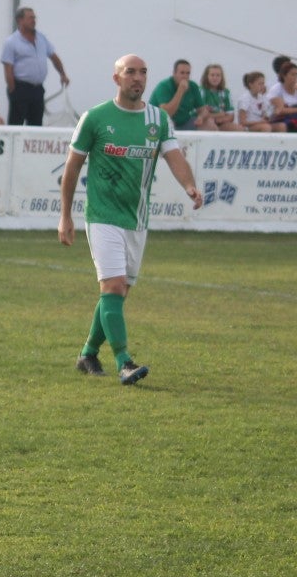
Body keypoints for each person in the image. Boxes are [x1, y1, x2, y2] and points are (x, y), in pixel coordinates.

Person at [58, 54, 202, 384]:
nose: (138, 78)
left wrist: (190, 185)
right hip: (102, 215)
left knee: (117, 294)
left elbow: (174, 157)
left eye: (143, 72)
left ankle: (88, 353)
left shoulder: (158, 120)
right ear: (116, 78)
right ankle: (124, 361)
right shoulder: (95, 118)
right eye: (130, 72)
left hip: (136, 219)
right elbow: (72, 168)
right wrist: (65, 216)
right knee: (113, 285)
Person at [1, 6, 69, 125]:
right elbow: (8, 68)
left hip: (37, 89)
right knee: (16, 123)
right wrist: (13, 89)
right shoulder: (11, 42)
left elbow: (54, 57)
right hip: (20, 88)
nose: (34, 20)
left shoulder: (41, 38)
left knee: (36, 124)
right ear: (20, 20)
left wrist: (63, 74)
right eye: (30, 18)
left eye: (34, 18)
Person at [149, 60, 214, 130]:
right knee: (168, 123)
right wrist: (180, 91)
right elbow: (166, 114)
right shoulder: (164, 86)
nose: (185, 76)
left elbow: (202, 109)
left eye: (188, 73)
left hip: (184, 122)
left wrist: (201, 117)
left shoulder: (193, 86)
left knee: (209, 123)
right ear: (174, 73)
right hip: (158, 124)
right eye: (182, 73)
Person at [266, 61, 297, 131]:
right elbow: (280, 110)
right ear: (284, 76)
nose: (295, 77)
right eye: (292, 75)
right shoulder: (277, 89)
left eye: (296, 74)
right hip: (280, 119)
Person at [198, 64, 243, 131]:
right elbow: (201, 114)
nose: (215, 78)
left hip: (221, 122)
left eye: (218, 75)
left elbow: (230, 116)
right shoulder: (202, 91)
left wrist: (219, 118)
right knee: (211, 124)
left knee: (238, 128)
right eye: (212, 75)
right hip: (205, 123)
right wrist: (219, 114)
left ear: (222, 77)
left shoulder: (226, 92)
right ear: (206, 76)